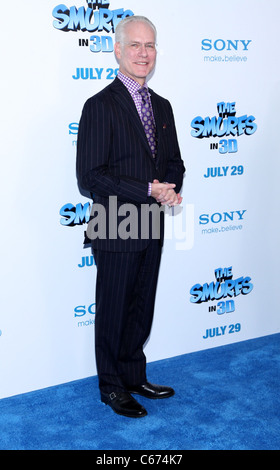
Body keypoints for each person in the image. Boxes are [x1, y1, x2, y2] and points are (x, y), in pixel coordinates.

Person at [76, 15, 185, 418]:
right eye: (135, 45)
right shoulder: (99, 106)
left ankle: (133, 375)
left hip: (152, 222)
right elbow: (90, 176)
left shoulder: (163, 106)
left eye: (150, 45)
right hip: (115, 223)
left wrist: (169, 186)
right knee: (114, 308)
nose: (144, 53)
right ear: (118, 50)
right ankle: (111, 386)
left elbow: (174, 161)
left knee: (141, 307)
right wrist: (148, 189)